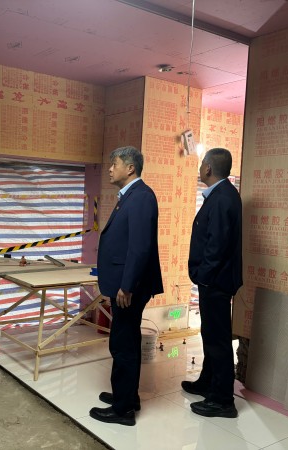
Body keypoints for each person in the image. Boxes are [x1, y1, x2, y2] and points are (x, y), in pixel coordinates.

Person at [90, 146, 163, 426]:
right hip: (125, 283)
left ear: (130, 168)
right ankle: (127, 397)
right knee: (127, 341)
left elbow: (140, 247)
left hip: (128, 287)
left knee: (123, 345)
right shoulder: (130, 196)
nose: (110, 169)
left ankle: (122, 411)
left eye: (115, 164)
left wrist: (127, 285)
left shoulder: (141, 196)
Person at [183, 147, 242, 419]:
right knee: (210, 335)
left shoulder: (221, 198)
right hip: (216, 279)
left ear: (207, 168)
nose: (200, 168)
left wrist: (203, 276)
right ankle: (208, 382)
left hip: (216, 281)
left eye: (201, 164)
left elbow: (216, 245)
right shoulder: (222, 194)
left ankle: (222, 400)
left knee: (218, 340)